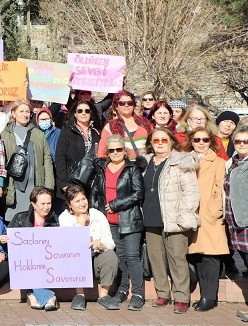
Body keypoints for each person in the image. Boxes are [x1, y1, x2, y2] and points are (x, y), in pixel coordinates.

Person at [142, 127, 199, 314]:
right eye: (156, 140)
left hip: (174, 219)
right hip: (151, 218)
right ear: (150, 142)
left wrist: (185, 218)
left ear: (172, 142)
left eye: (164, 140)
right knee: (156, 259)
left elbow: (191, 192)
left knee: (177, 259)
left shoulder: (181, 161)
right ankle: (163, 293)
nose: (159, 143)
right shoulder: (146, 162)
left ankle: (181, 297)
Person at [90, 134, 145, 311]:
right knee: (120, 257)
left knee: (132, 256)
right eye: (111, 150)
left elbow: (138, 193)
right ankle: (122, 290)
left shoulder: (132, 169)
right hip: (109, 222)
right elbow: (97, 192)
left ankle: (137, 294)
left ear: (125, 150)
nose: (115, 153)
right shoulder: (102, 169)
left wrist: (115, 205)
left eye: (118, 149)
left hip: (129, 220)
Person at [183, 127, 228, 311]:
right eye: (197, 140)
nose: (201, 143)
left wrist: (213, 209)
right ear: (191, 141)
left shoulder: (218, 162)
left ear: (211, 142)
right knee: (198, 256)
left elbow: (220, 187)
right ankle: (205, 296)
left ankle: (209, 297)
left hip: (209, 215)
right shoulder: (186, 161)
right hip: (191, 215)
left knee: (211, 255)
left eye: (205, 140)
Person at [59, 185, 120, 311]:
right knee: (75, 256)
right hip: (76, 261)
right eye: (77, 201)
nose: (82, 203)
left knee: (110, 256)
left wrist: (101, 245)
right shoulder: (64, 218)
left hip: (96, 257)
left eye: (84, 199)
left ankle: (103, 295)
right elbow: (69, 243)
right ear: (69, 205)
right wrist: (81, 223)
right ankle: (79, 294)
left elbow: (110, 241)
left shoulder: (97, 215)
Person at [1, 100, 55, 222]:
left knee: (34, 220)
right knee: (15, 221)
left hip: (35, 186)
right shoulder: (5, 134)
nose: (25, 114)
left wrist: (49, 187)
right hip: (13, 186)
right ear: (13, 114)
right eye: (21, 111)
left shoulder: (38, 134)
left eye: (27, 111)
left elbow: (47, 159)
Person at [7, 187, 60, 311]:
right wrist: (5, 239)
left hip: (47, 261)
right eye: (43, 203)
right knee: (28, 262)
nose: (47, 207)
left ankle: (32, 294)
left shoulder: (55, 220)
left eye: (49, 203)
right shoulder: (20, 218)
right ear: (33, 204)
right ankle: (48, 297)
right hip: (25, 262)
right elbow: (11, 245)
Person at [225, 126, 248, 322]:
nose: (241, 144)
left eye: (245, 141)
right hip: (236, 223)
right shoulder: (232, 163)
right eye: (238, 141)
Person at [55, 100, 102, 197]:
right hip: (74, 181)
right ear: (75, 114)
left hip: (93, 182)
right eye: (80, 111)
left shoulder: (97, 132)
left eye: (87, 111)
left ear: (91, 113)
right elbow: (60, 158)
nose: (83, 113)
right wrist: (64, 184)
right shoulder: (67, 132)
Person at [98, 90, 154, 161]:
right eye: (122, 103)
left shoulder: (145, 123)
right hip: (123, 169)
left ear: (134, 105)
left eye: (130, 103)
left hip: (145, 168)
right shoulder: (110, 127)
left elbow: (154, 144)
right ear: (116, 106)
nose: (126, 105)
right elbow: (102, 153)